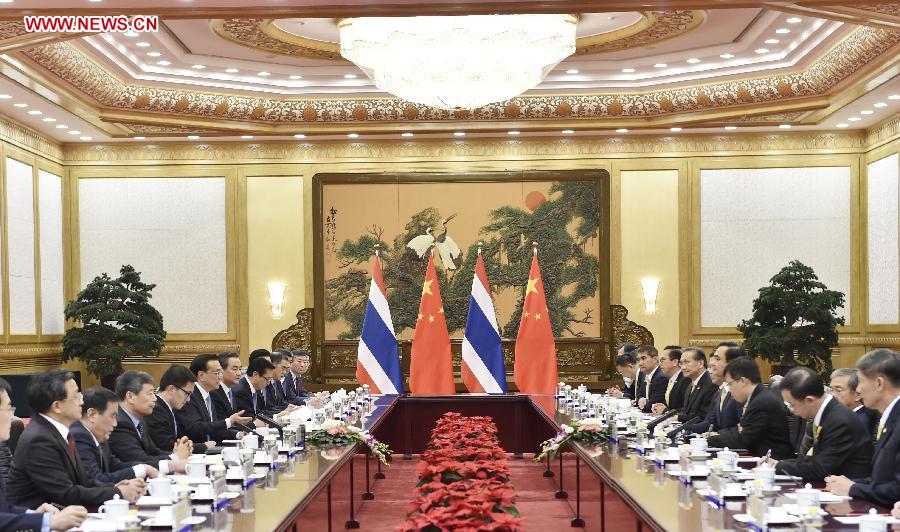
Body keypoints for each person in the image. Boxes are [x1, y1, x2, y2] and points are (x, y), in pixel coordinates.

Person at [7, 369, 144, 508]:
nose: (81, 402)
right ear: (57, 406)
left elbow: (85, 481)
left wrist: (114, 487)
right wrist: (117, 492)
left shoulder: (59, 431)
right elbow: (66, 494)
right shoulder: (39, 440)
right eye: (76, 396)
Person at [0, 375, 87, 531]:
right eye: (8, 408)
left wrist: (34, 515)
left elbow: (5, 510)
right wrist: (47, 522)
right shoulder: (38, 438)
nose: (13, 417)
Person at [765, 367, 872, 480]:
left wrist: (776, 466)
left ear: (809, 400)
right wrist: (780, 462)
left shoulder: (839, 420)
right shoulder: (828, 413)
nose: (791, 410)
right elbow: (814, 459)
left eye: (792, 404)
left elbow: (820, 467)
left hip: (849, 491)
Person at [825, 349, 900, 505]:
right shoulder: (890, 417)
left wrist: (853, 488)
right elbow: (883, 479)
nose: (857, 389)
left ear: (879, 383)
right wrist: (851, 483)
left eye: (860, 381)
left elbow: (896, 490)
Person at [707, 358, 795, 459]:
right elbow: (739, 431)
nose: (729, 391)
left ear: (743, 381)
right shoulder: (756, 398)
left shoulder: (761, 403)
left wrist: (711, 439)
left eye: (730, 384)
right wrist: (718, 434)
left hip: (773, 464)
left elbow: (743, 440)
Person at [71, 387, 159, 484]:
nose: (115, 424)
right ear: (92, 414)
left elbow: (114, 465)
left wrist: (145, 468)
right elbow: (95, 480)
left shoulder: (99, 435)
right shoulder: (79, 436)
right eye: (112, 416)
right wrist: (142, 470)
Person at [108, 371, 190, 474]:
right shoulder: (118, 423)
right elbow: (139, 460)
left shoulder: (139, 419)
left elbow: (153, 452)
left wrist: (179, 452)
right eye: (150, 393)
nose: (155, 398)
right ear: (130, 397)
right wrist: (175, 457)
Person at [180, 354, 253, 444]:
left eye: (220, 372)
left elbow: (214, 427)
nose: (220, 377)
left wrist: (238, 435)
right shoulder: (190, 396)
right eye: (217, 373)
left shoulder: (209, 394)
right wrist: (229, 421)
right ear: (201, 375)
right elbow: (196, 428)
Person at [145, 365, 212, 454]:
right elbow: (166, 446)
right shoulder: (156, 410)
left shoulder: (170, 408)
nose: (188, 400)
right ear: (171, 389)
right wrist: (203, 446)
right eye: (187, 393)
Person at [686, 346, 744, 434]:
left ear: (732, 363)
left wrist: (717, 436)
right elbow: (711, 422)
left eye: (717, 359)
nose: (711, 363)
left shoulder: (741, 391)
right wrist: (683, 429)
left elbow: (741, 429)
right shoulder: (721, 391)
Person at [831, 367, 879, 440]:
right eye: (831, 389)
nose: (832, 395)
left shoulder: (857, 423)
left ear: (857, 395)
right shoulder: (844, 415)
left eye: (838, 390)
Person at [675, 347, 716, 424]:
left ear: (700, 363)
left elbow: (703, 417)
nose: (683, 367)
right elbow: (686, 411)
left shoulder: (711, 384)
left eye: (687, 362)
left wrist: (678, 417)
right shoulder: (691, 384)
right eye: (681, 363)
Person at [651, 347, 688, 413]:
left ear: (675, 362)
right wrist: (662, 406)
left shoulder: (685, 380)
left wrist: (665, 410)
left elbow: (685, 409)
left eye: (663, 360)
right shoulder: (671, 378)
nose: (660, 364)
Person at [634, 346, 667, 412]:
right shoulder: (644, 374)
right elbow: (639, 395)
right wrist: (640, 399)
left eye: (643, 358)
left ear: (655, 359)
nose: (640, 363)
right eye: (638, 360)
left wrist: (641, 404)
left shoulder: (661, 377)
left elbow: (653, 404)